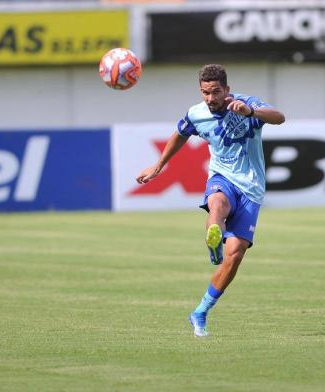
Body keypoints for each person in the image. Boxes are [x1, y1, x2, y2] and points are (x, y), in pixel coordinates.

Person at [136, 64, 285, 337]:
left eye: (216, 92)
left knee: (235, 255)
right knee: (217, 203)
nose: (210, 98)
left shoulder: (245, 104)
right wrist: (158, 166)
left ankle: (200, 311)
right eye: (205, 92)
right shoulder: (197, 114)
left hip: (251, 188)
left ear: (227, 89)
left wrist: (250, 112)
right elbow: (179, 134)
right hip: (221, 177)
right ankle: (213, 237)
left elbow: (279, 117)